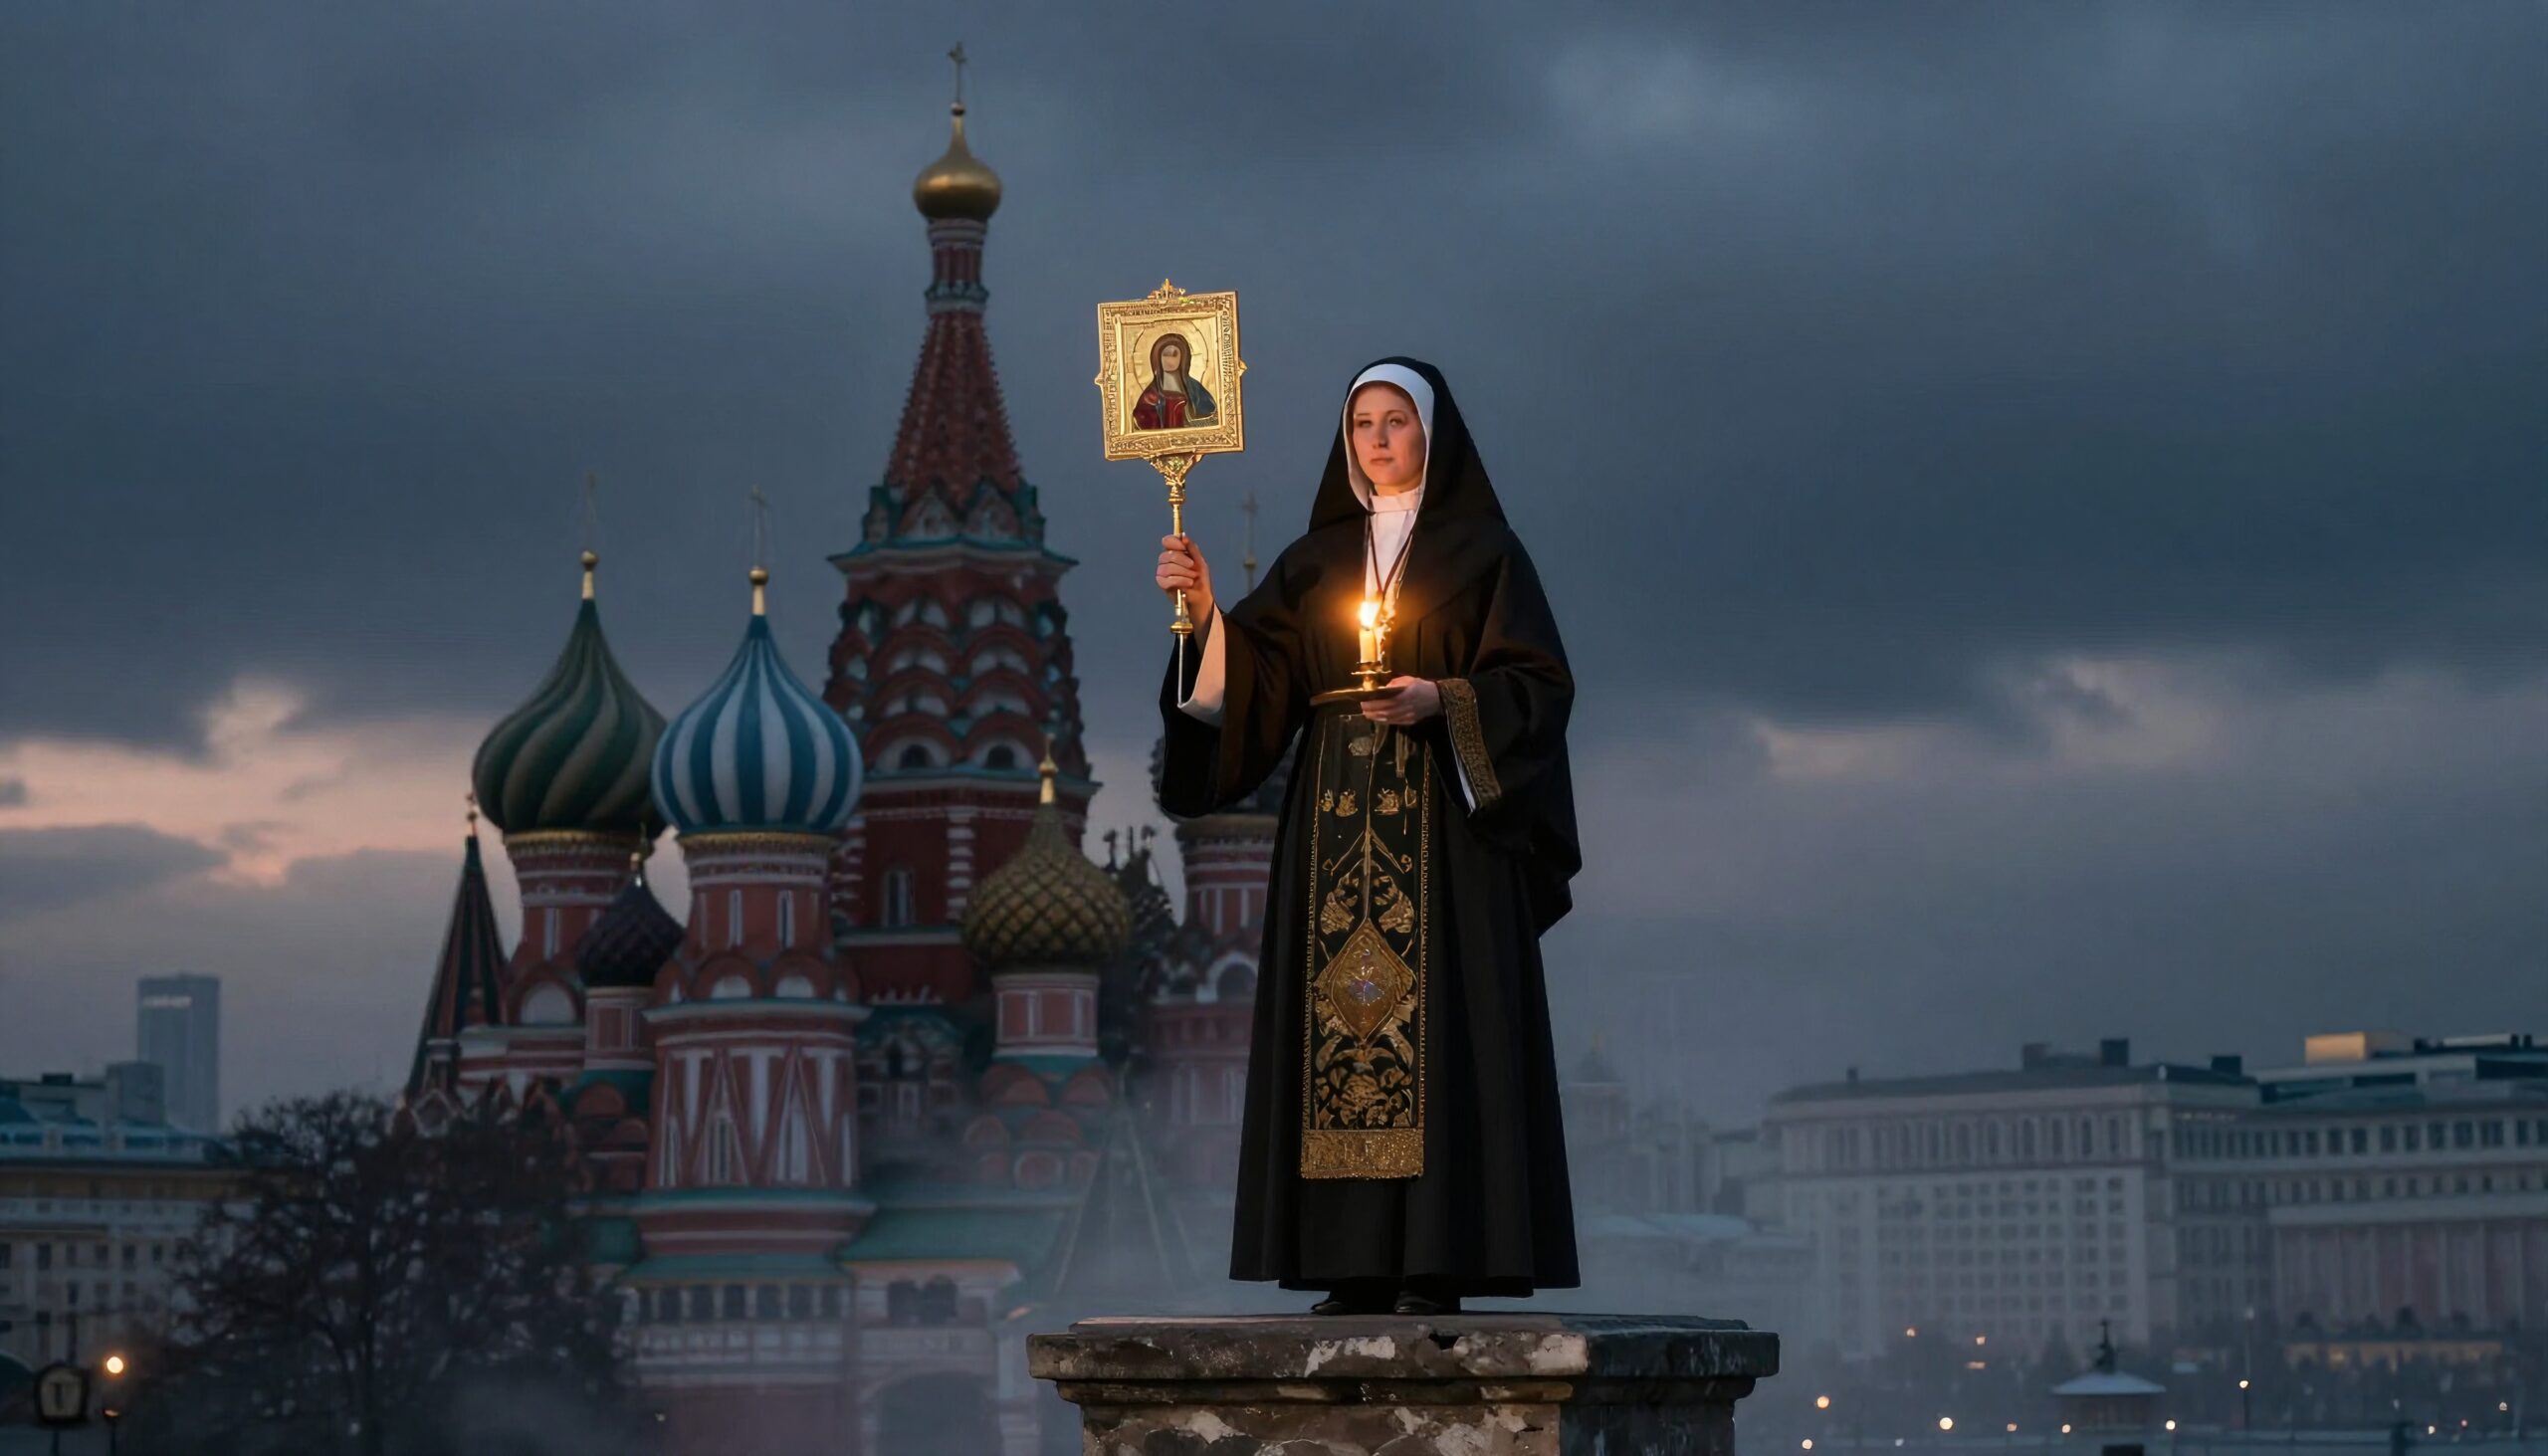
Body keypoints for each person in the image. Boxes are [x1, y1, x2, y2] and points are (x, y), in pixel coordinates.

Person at [1155, 356, 1580, 1316]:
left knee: (1440, 1027)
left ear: (1433, 434)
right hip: (1337, 819)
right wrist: (1199, 612)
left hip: (1444, 834)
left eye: (1396, 421)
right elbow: (1255, 682)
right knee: (1337, 1030)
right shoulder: (1314, 561)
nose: (1378, 440)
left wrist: (1445, 697)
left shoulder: (1486, 553)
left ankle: (1437, 1259)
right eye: (1361, 424)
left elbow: (1541, 689)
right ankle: (1349, 1260)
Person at [1132, 331, 1217, 430]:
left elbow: (1211, 414)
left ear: (1183, 358)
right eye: (1166, 355)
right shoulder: (1150, 395)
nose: (1169, 360)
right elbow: (1141, 418)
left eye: (1174, 355)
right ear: (1158, 358)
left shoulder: (1195, 389)